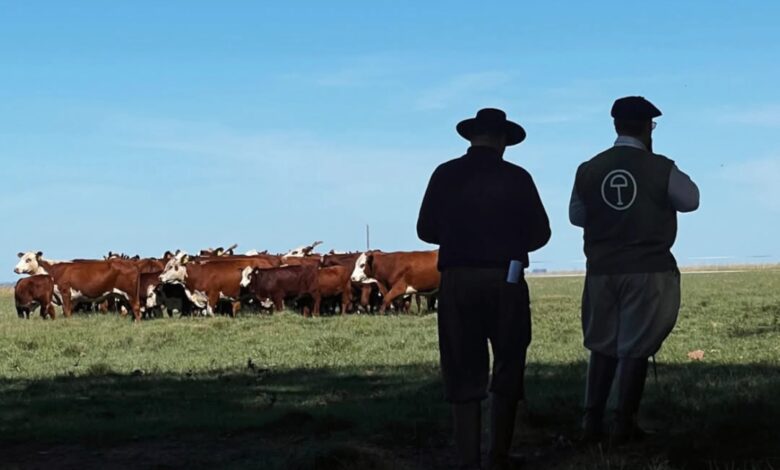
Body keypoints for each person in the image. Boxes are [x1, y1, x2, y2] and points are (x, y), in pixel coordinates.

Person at [417, 108, 551, 469]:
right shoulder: (518, 178)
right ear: (504, 140)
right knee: (509, 361)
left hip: (458, 279)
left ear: (472, 137)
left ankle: (468, 459)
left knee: (462, 366)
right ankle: (499, 455)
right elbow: (541, 233)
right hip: (507, 278)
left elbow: (425, 230)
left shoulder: (444, 174)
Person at [569, 96, 700, 444]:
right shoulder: (660, 167)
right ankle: (623, 423)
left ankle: (591, 420)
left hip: (601, 270)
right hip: (647, 270)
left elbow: (577, 217)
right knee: (636, 347)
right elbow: (691, 200)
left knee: (602, 345)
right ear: (647, 128)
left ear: (616, 126)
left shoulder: (588, 169)